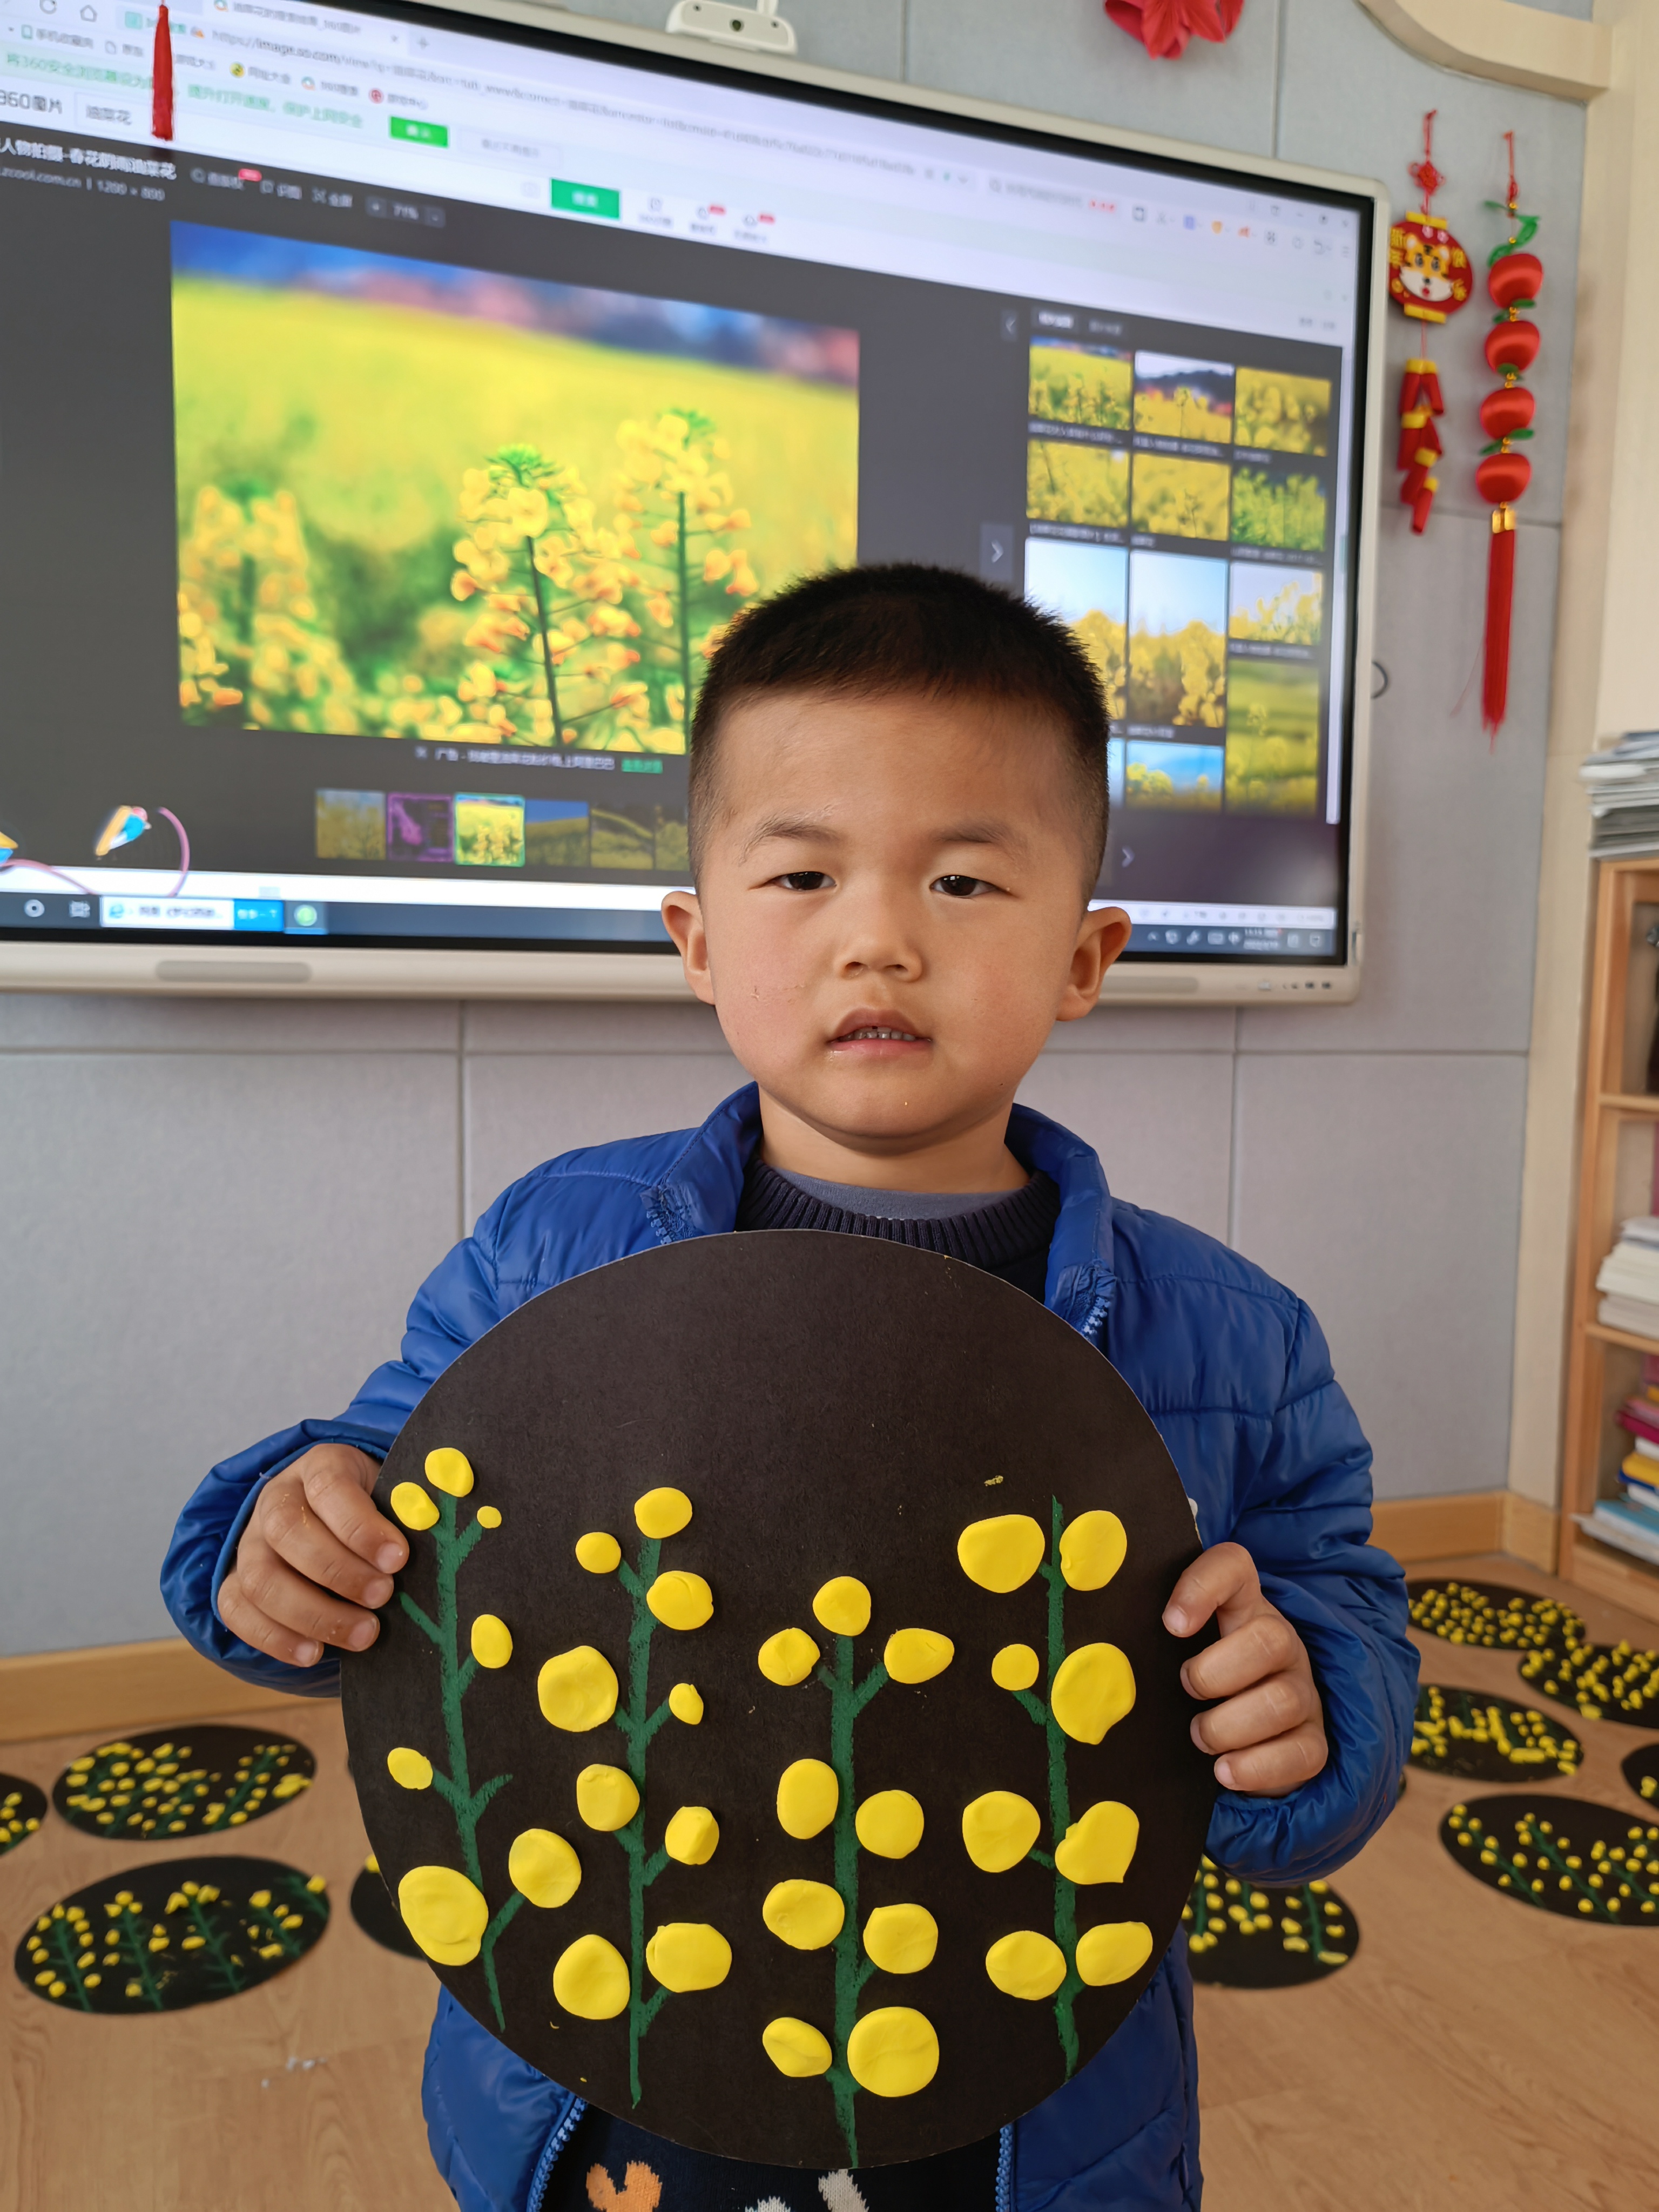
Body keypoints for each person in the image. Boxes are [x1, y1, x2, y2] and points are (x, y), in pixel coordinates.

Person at [163, 564, 1416, 2212]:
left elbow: (1341, 1619)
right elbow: (388, 1484)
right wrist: (283, 1532)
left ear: (1085, 956)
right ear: (698, 941)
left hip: (1027, 2115)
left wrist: (1305, 1708)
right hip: (607, 2074)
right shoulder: (554, 1253)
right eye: (804, 874)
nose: (878, 938)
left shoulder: (1238, 1342)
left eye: (964, 880)